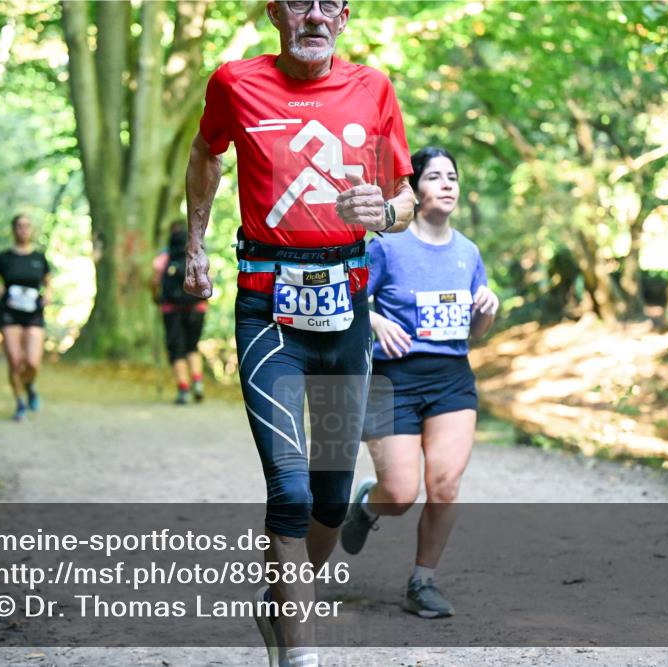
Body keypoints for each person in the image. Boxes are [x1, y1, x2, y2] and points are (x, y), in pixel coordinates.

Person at [183, 1, 417, 664]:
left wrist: (389, 209)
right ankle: (300, 652)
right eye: (298, 1)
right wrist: (195, 246)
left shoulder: (373, 88)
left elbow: (402, 197)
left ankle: (284, 601)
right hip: (267, 309)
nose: (312, 14)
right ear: (273, 12)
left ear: (343, 16)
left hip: (346, 311)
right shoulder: (235, 82)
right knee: (289, 488)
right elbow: (206, 152)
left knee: (332, 497)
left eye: (327, 3)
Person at [338, 146, 500, 619]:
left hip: (451, 379)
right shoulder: (386, 246)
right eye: (435, 176)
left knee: (445, 484)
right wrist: (372, 320)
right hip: (393, 381)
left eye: (453, 176)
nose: (448, 184)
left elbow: (473, 334)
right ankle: (368, 505)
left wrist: (486, 312)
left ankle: (422, 581)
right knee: (401, 493)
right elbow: (346, 303)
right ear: (413, 188)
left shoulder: (468, 252)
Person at [0, 214, 52, 422]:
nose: (23, 230)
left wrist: (48, 296)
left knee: (32, 362)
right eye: (19, 226)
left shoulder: (39, 258)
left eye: (27, 226)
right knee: (15, 361)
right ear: (13, 229)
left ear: (31, 230)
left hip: (33, 314)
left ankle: (29, 385)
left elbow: (49, 284)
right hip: (9, 314)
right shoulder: (4, 258)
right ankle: (20, 403)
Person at [151, 221, 208, 404]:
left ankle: (184, 390)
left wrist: (156, 297)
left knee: (177, 350)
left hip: (171, 308)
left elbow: (154, 279)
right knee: (192, 346)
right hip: (197, 307)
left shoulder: (165, 257)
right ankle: (197, 383)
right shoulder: (198, 255)